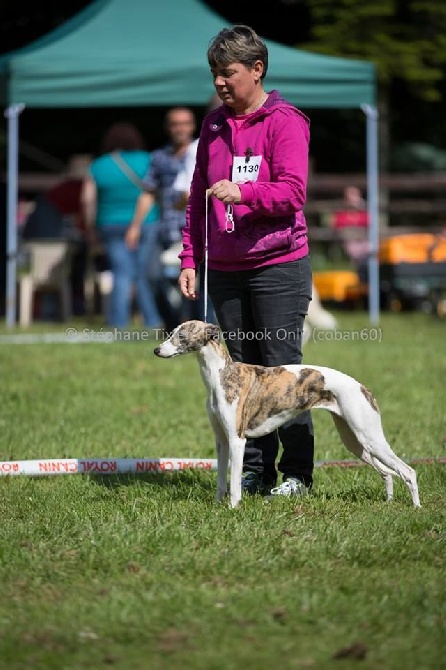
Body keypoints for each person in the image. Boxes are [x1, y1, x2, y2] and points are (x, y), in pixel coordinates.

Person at [178, 24, 314, 498]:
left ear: (257, 70)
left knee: (281, 372)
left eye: (228, 73)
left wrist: (245, 193)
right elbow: (197, 198)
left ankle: (297, 473)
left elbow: (294, 192)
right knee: (240, 373)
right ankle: (254, 471)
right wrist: (190, 257)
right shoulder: (213, 125)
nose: (219, 83)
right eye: (214, 73)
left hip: (279, 266)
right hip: (226, 270)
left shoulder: (285, 121)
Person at [81, 122, 161, 328]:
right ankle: (152, 321)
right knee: (143, 273)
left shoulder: (98, 165)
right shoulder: (149, 160)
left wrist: (90, 229)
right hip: (146, 222)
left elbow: (87, 200)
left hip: (111, 224)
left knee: (121, 273)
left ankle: (118, 323)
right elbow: (157, 190)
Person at [128, 107, 197, 332]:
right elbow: (149, 191)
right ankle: (171, 324)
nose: (180, 129)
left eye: (185, 123)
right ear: (168, 128)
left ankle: (195, 327)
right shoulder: (159, 157)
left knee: (195, 282)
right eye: (175, 124)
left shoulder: (202, 151)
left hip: (195, 226)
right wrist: (136, 225)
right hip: (165, 227)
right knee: (151, 275)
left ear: (192, 126)